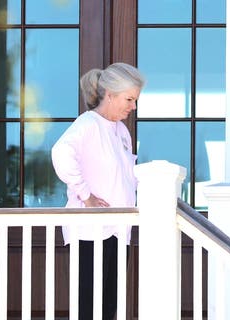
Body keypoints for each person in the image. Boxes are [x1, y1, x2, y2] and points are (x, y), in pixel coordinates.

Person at [51, 62, 145, 320]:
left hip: (118, 229)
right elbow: (61, 153)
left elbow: (124, 177)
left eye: (135, 100)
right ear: (110, 95)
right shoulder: (88, 124)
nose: (133, 107)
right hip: (90, 231)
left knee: (109, 307)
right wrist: (86, 195)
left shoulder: (121, 131)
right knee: (90, 308)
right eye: (129, 99)